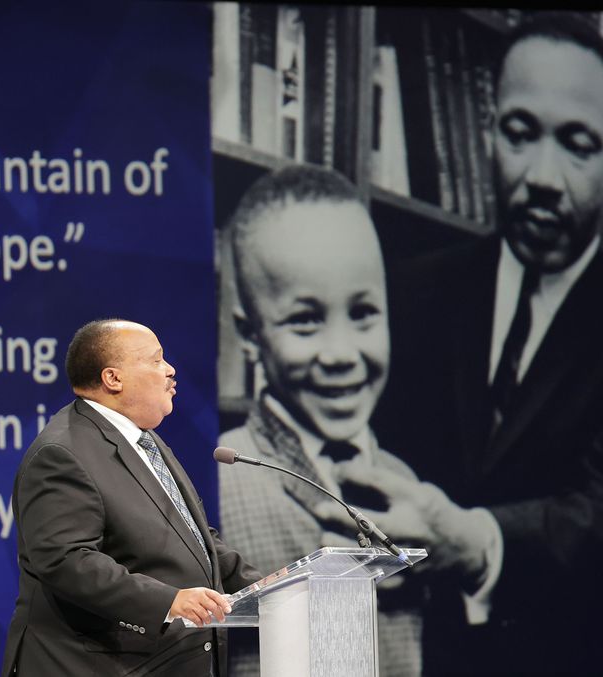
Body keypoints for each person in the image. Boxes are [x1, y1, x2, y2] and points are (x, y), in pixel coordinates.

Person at [320, 14, 603, 676]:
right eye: (520, 133)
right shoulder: (412, 290)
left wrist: (474, 542)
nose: (542, 176)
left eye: (578, 144)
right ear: (486, 134)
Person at [218, 165, 424, 677]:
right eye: (305, 319)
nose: (341, 354)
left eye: (363, 313)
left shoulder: (406, 484)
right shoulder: (213, 485)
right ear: (250, 335)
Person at [2, 319, 261, 677]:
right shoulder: (62, 452)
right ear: (113, 379)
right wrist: (169, 601)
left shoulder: (143, 439)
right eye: (156, 360)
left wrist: (266, 586)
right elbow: (67, 560)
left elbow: (192, 538)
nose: (170, 370)